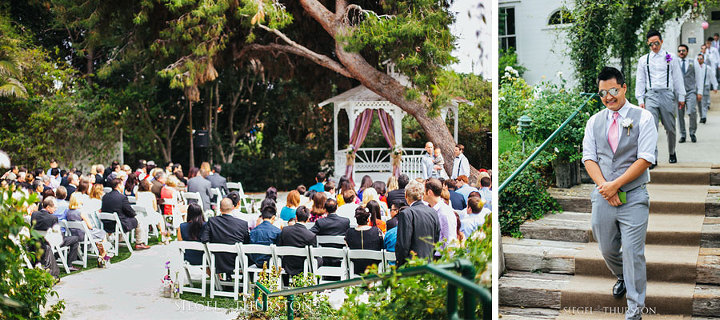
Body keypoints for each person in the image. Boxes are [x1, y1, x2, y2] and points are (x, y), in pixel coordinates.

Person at [583, 67, 657, 320]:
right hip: (603, 194)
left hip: (634, 196)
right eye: (603, 92)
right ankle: (623, 276)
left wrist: (617, 185)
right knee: (606, 248)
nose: (608, 96)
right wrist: (606, 187)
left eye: (613, 90)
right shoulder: (594, 121)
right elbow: (589, 158)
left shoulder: (644, 117)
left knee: (633, 252)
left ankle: (634, 310)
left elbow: (646, 158)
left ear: (624, 87)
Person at [635, 30, 684, 167]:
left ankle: (672, 152)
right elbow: (640, 80)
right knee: (651, 127)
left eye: (656, 43)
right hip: (650, 95)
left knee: (670, 127)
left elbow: (677, 77)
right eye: (651, 44)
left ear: (661, 42)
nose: (654, 47)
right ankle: (653, 158)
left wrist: (681, 96)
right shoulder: (644, 60)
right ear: (648, 44)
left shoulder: (671, 57)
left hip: (667, 94)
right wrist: (640, 99)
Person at [395, 180, 439, 266]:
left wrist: (400, 264)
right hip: (428, 261)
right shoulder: (433, 212)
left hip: (412, 264)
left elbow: (403, 245)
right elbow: (436, 238)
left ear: (406, 195)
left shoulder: (406, 213)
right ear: (422, 195)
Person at [201, 198, 250, 274]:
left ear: (220, 209)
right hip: (236, 261)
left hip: (217, 261)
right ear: (233, 207)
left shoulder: (212, 221)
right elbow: (246, 243)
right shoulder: (242, 224)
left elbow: (204, 239)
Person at [32, 196, 81, 271]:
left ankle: (57, 257)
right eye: (54, 207)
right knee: (75, 238)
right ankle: (69, 264)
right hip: (50, 243)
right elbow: (58, 236)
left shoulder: (34, 214)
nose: (56, 209)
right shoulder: (53, 218)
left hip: (37, 241)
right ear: (48, 207)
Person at [101, 178, 149, 250]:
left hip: (106, 223)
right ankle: (139, 242)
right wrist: (134, 214)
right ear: (118, 185)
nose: (123, 186)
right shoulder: (122, 197)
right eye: (122, 184)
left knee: (126, 218)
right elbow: (130, 211)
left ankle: (120, 240)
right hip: (119, 224)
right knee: (139, 220)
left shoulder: (105, 196)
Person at [67, 193, 112, 264]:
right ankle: (103, 255)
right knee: (102, 233)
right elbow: (90, 226)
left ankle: (103, 255)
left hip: (74, 235)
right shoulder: (81, 212)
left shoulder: (68, 212)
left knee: (98, 234)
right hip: (84, 235)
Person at [277, 205, 317, 279]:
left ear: (296, 217)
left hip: (288, 265)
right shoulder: (311, 235)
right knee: (318, 259)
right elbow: (313, 255)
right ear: (308, 219)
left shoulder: (285, 230)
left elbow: (279, 247)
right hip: (303, 266)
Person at [345, 206, 384, 275]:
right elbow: (382, 245)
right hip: (373, 267)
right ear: (368, 219)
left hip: (356, 267)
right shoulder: (377, 231)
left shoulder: (349, 233)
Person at [425, 178, 457, 250]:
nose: (422, 194)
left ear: (429, 192)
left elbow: (450, 240)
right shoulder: (429, 208)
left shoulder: (445, 212)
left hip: (439, 256)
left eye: (424, 191)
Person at [249, 199, 282, 267]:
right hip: (272, 263)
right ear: (273, 217)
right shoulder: (277, 231)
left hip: (257, 262)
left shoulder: (253, 231)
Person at [677, 44, 698, 143]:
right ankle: (683, 134)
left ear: (687, 52)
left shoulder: (693, 62)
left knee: (692, 111)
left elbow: (698, 77)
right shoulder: (675, 62)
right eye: (679, 51)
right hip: (679, 92)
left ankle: (692, 132)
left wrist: (699, 91)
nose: (681, 52)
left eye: (683, 51)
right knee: (680, 114)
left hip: (691, 91)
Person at [696, 52, 718, 125]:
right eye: (698, 59)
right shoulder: (695, 67)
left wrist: (715, 86)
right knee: (699, 103)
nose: (699, 60)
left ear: (703, 59)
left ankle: (704, 117)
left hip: (705, 86)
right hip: (697, 87)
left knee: (704, 103)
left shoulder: (707, 68)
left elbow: (712, 77)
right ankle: (701, 115)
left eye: (701, 59)